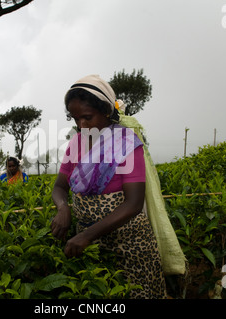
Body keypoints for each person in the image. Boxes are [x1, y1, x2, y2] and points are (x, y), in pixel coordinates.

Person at [51, 74, 167, 299]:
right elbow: (59, 188)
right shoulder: (75, 145)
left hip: (130, 246)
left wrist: (86, 235)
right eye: (75, 119)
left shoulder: (126, 144)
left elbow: (133, 204)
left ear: (106, 111)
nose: (81, 126)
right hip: (91, 248)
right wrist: (63, 208)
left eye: (87, 117)